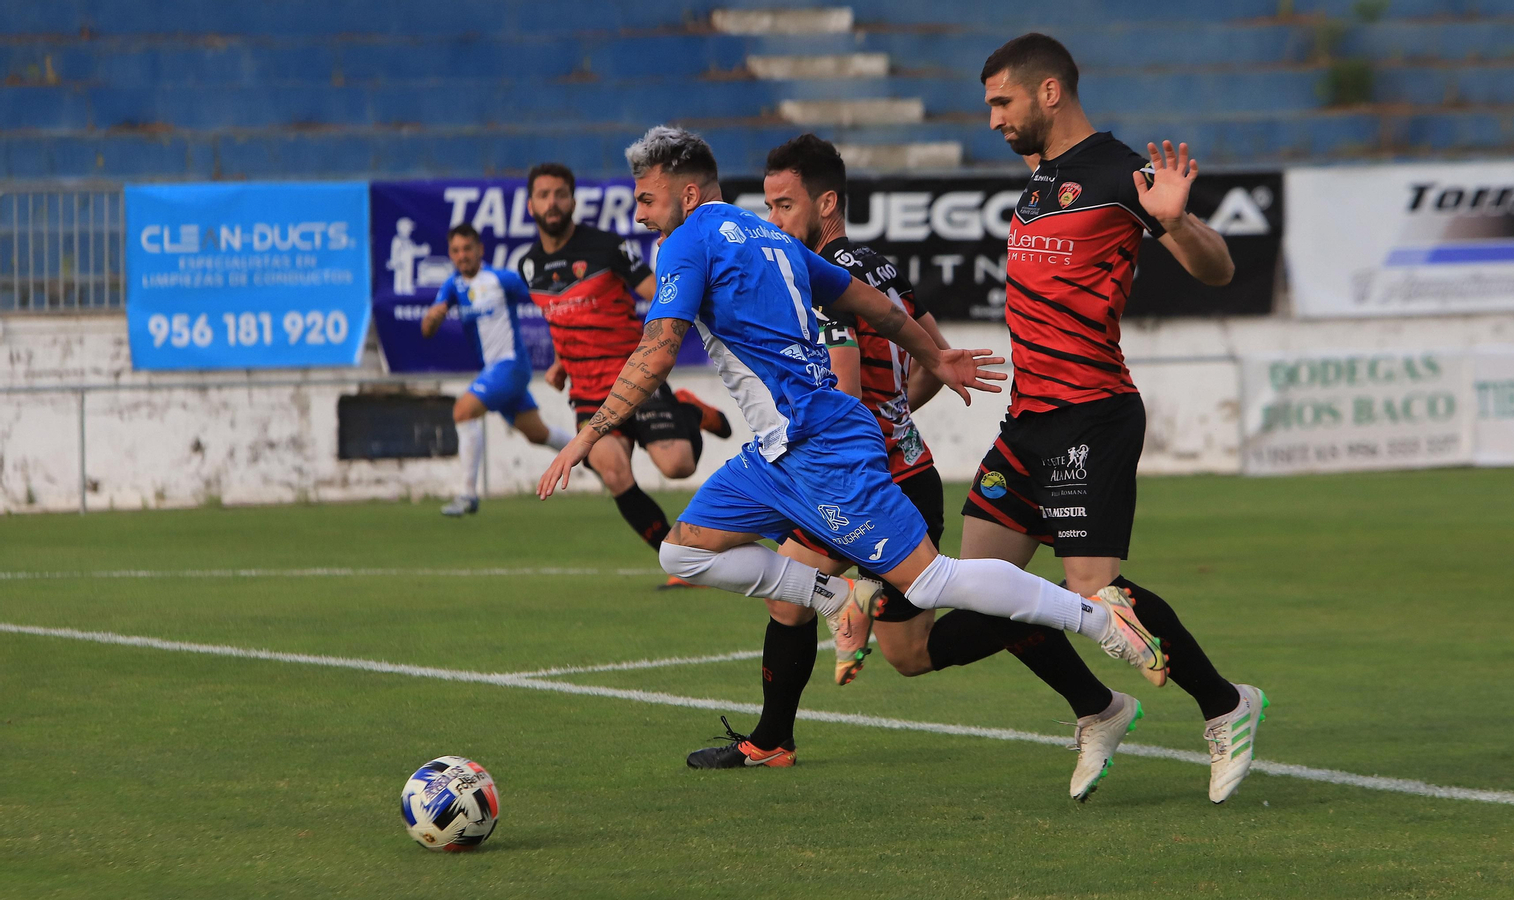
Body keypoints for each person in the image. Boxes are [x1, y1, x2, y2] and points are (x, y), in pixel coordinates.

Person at [537, 125, 1172, 779]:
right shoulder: (765, 237)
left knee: (931, 580)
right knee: (683, 550)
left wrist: (585, 437)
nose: (640, 215)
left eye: (645, 199)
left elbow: (658, 347)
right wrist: (937, 356)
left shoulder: (688, 242)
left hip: (822, 443)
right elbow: (875, 306)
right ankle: (832, 600)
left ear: (687, 192)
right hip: (777, 452)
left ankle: (1095, 618)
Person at [971, 32, 1266, 803]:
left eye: (1002, 102)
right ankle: (1097, 709)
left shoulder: (1118, 171)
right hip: (1027, 420)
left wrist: (1173, 222)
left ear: (1049, 93)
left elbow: (1219, 268)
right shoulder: (1039, 183)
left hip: (1091, 413)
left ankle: (1226, 704)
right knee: (984, 589)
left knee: (1097, 590)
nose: (993, 119)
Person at [518, 163, 732, 564]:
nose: (553, 202)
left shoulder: (606, 247)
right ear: (531, 205)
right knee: (614, 474)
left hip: (633, 376)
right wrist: (562, 363)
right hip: (586, 390)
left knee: (677, 467)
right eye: (544, 195)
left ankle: (687, 409)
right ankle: (677, 560)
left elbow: (660, 291)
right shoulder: (528, 266)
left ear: (572, 200)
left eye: (560, 194)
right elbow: (561, 319)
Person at [421, 223, 572, 516]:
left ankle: (467, 495)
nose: (462, 256)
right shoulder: (452, 286)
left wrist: (560, 349)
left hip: (511, 366)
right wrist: (433, 317)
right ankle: (597, 455)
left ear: (480, 250)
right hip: (494, 370)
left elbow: (547, 301)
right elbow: (427, 330)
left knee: (463, 411)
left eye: (467, 249)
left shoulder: (500, 279)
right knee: (537, 433)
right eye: (456, 251)